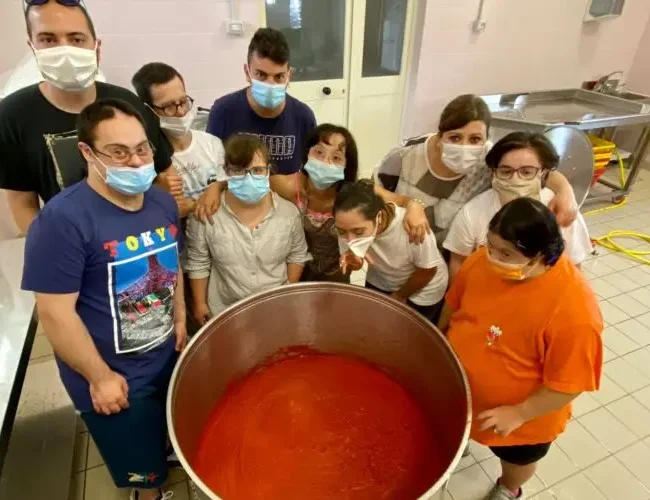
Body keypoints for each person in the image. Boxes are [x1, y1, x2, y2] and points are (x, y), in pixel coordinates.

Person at [22, 98, 187, 500]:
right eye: (119, 152)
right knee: (141, 468)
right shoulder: (62, 221)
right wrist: (100, 378)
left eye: (142, 148)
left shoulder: (162, 201)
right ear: (87, 152)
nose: (136, 162)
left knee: (166, 431)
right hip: (116, 376)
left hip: (165, 354)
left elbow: (174, 263)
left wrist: (180, 318)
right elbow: (55, 313)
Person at [438, 198, 603, 500]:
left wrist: (519, 413)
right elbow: (454, 303)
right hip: (462, 392)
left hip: (523, 419)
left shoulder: (575, 311)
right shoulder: (481, 261)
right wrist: (440, 337)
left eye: (506, 253)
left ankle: (509, 488)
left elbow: (571, 384)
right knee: (457, 428)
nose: (492, 257)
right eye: (490, 245)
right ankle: (463, 440)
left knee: (517, 459)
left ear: (541, 255)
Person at [0, 0, 177, 235]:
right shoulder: (13, 116)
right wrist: (49, 245)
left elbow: (164, 172)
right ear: (33, 47)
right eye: (48, 39)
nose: (64, 50)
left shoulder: (127, 104)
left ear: (96, 47)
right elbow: (21, 201)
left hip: (138, 238)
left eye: (76, 39)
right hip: (70, 239)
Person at [374, 94, 578, 244]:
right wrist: (409, 203)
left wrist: (565, 191)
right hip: (400, 249)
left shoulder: (489, 160)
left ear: (486, 139)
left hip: (452, 252)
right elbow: (371, 191)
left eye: (475, 139)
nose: (464, 147)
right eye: (455, 137)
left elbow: (531, 170)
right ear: (439, 136)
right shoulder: (406, 156)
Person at [270, 124, 431, 282]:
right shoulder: (290, 186)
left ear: (347, 165)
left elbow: (404, 200)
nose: (325, 161)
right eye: (318, 152)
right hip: (295, 270)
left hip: (338, 272)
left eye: (336, 157)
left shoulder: (358, 193)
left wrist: (415, 206)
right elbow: (259, 183)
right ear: (307, 154)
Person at [186, 134, 311, 320]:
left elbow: (297, 255)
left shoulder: (289, 213)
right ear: (225, 172)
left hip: (276, 310)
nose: (249, 178)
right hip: (225, 311)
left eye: (257, 170)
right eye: (239, 171)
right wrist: (200, 303)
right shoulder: (206, 214)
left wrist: (285, 293)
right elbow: (198, 262)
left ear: (268, 171)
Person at [444, 132, 592, 279]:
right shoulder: (473, 212)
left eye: (526, 172)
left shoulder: (560, 210)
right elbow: (458, 262)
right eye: (506, 171)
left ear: (543, 172)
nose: (515, 179)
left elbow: (574, 267)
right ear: (494, 172)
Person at [206, 27, 316, 176]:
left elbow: (309, 173)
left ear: (289, 75)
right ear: (247, 72)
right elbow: (211, 170)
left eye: (279, 76)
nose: (270, 84)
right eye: (261, 75)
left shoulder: (303, 117)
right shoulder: (223, 111)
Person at [334, 181, 448, 322]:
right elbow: (353, 263)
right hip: (382, 278)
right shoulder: (346, 226)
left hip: (422, 289)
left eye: (358, 231)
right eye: (342, 231)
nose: (350, 239)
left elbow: (428, 271)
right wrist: (354, 264)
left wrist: (399, 296)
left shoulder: (411, 227)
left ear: (379, 217)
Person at [132, 62, 227, 217]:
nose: (181, 111)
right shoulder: (145, 160)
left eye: (183, 101)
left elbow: (229, 182)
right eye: (168, 106)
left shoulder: (212, 144)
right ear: (148, 110)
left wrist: (216, 186)